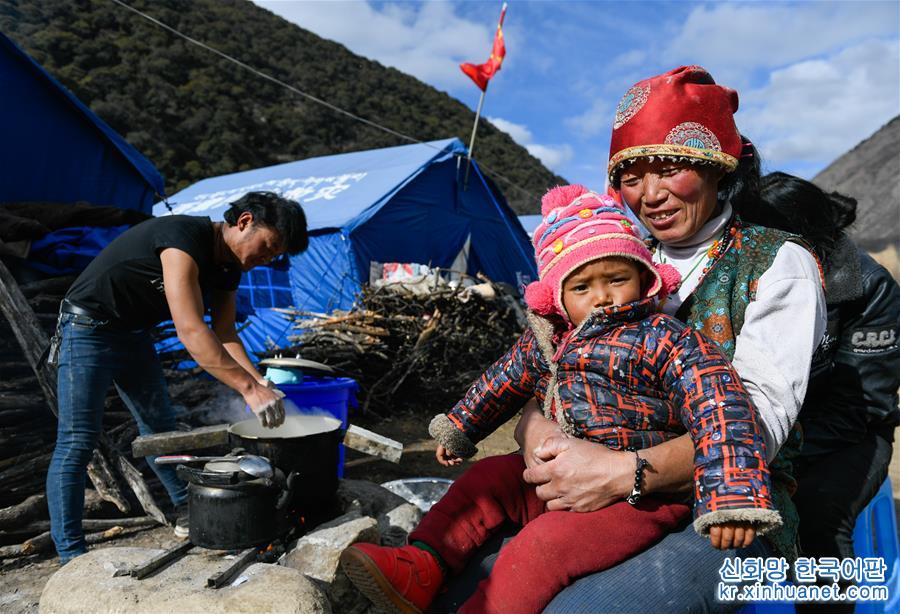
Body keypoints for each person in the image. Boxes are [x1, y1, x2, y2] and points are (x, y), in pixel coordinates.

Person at [432, 65, 827, 612]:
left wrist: (621, 474)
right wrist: (538, 433)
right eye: (632, 176)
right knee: (469, 582)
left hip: (726, 508)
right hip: (587, 483)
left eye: (671, 170)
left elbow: (756, 425)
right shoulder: (610, 252)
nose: (651, 194)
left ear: (718, 167)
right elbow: (546, 364)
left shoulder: (777, 264)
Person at [339, 185, 781, 614]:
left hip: (636, 499)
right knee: (485, 481)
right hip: (556, 472)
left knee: (542, 548)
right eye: (582, 287)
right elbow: (503, 380)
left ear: (644, 280)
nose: (602, 296)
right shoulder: (550, 339)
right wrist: (461, 426)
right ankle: (422, 565)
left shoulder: (664, 339)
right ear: (558, 297)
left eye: (617, 278)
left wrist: (732, 497)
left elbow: (720, 407)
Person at [46, 191, 308, 564]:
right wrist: (246, 388)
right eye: (268, 247)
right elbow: (190, 329)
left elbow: (226, 333)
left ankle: (188, 512)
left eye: (274, 256)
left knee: (161, 430)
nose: (266, 259)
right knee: (78, 441)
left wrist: (260, 382)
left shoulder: (228, 267)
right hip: (88, 326)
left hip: (134, 335)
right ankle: (70, 555)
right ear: (245, 221)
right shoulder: (182, 238)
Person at [752, 172, 900, 611]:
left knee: (818, 518)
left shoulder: (869, 289)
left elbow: (865, 404)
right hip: (767, 430)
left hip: (851, 434)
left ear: (805, 238)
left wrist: (770, 450)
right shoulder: (747, 275)